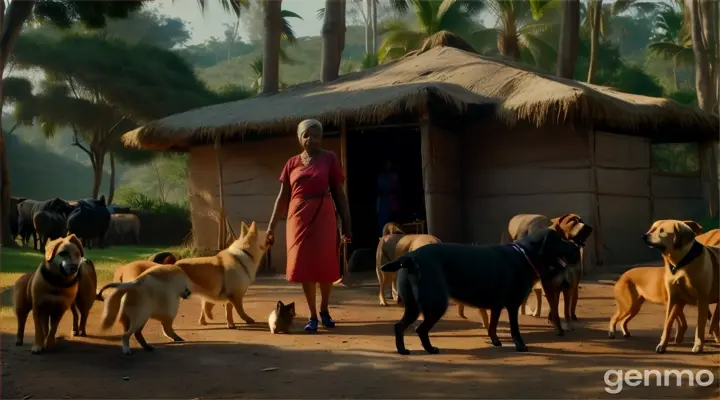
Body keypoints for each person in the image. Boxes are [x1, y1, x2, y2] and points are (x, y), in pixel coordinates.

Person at [266, 119, 352, 333]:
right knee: (304, 267)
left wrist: (347, 226)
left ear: (321, 137)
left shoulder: (329, 159)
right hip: (297, 219)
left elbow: (340, 195)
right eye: (305, 135)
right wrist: (271, 227)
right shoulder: (291, 163)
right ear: (299, 138)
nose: (310, 138)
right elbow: (282, 198)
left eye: (315, 134)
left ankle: (324, 310)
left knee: (324, 265)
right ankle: (312, 315)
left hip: (323, 217)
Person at [376, 160, 400, 235]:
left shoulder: (394, 176)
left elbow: (397, 189)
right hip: (384, 203)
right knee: (383, 225)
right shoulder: (381, 177)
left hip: (392, 203)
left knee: (393, 225)